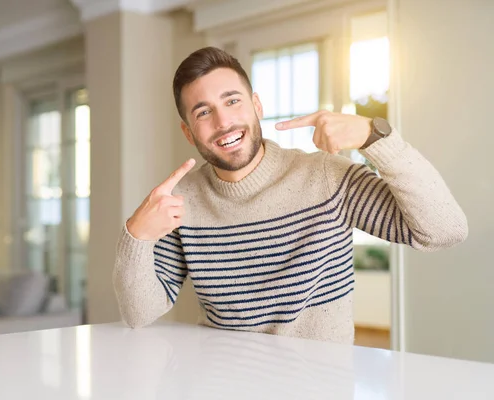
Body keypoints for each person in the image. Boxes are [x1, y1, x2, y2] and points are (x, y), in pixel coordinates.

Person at [112, 46, 468, 344]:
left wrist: (375, 137)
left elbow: (444, 230)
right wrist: (136, 236)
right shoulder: (183, 202)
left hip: (317, 385)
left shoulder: (327, 176)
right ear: (188, 132)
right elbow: (139, 314)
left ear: (257, 106)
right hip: (221, 382)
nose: (223, 122)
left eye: (232, 101)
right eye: (203, 112)